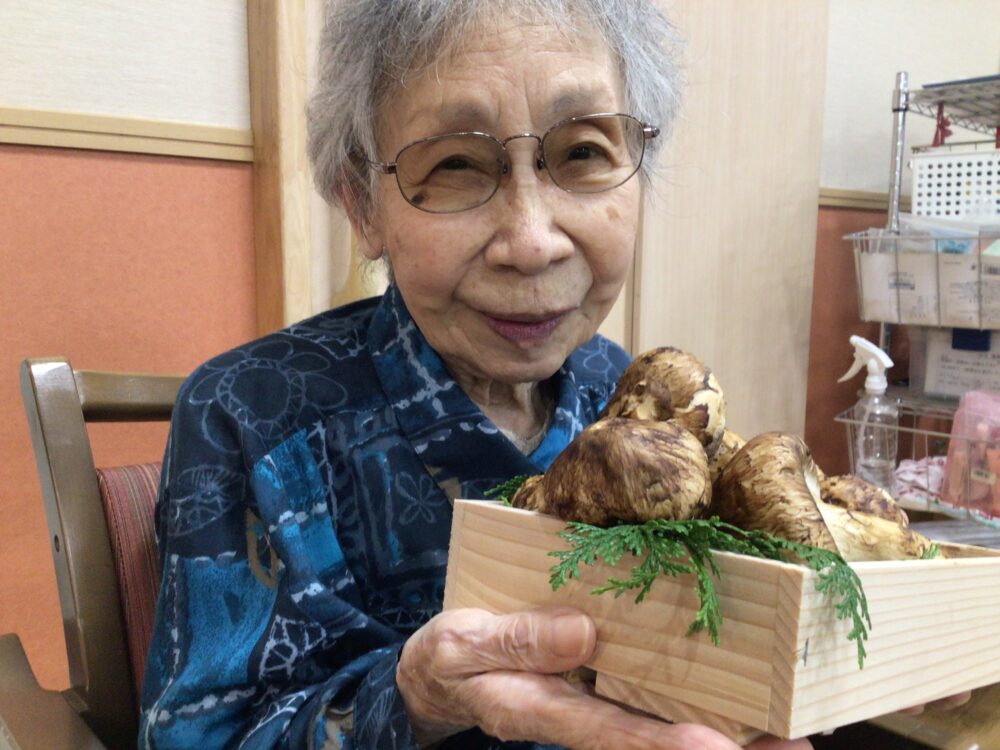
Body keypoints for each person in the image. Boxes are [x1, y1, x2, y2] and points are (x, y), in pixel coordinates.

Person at [139, 1, 815, 748]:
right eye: (455, 165)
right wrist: (411, 698)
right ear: (363, 205)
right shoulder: (249, 415)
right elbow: (193, 739)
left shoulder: (625, 399)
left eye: (584, 152)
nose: (530, 243)